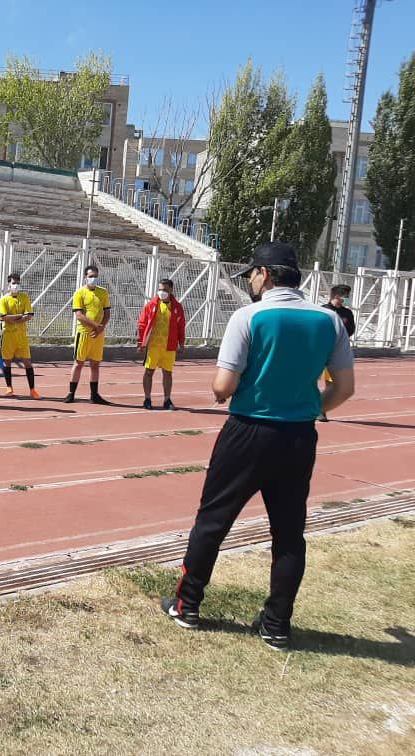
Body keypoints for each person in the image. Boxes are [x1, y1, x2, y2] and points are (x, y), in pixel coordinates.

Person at [161, 243, 355, 651]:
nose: (249, 280)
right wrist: (309, 408)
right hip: (299, 435)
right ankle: (277, 624)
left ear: (265, 274)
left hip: (248, 431)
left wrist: (225, 390)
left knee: (213, 520)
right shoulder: (330, 320)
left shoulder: (249, 316)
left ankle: (187, 603)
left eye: (251, 274)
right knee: (288, 532)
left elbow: (223, 387)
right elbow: (345, 388)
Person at [137, 278, 186, 410]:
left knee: (168, 373)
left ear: (171, 290)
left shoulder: (177, 307)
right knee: (149, 371)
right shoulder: (151, 305)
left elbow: (181, 326)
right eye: (159, 289)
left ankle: (167, 399)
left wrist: (181, 342)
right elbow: (142, 323)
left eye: (164, 289)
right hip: (153, 346)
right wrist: (141, 341)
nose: (161, 292)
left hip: (169, 346)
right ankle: (147, 399)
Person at [65, 265, 110, 404]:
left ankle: (94, 394)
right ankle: (71, 393)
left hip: (98, 334)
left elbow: (107, 313)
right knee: (79, 363)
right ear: (85, 277)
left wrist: (101, 328)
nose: (93, 279)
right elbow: (79, 315)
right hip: (84, 333)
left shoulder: (103, 292)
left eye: (95, 276)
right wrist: (95, 326)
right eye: (90, 276)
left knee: (95, 364)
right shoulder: (79, 293)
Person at [0, 272, 39, 398]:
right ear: (9, 285)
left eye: (18, 283)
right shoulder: (4, 299)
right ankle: (9, 388)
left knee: (27, 362)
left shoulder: (24, 297)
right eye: (13, 283)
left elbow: (29, 315)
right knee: (7, 362)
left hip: (21, 336)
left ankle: (32, 390)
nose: (16, 285)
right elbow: (4, 317)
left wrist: (17, 319)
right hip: (8, 335)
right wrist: (19, 316)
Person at [319, 285, 356, 422]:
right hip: (320, 351)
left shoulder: (347, 313)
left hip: (335, 353)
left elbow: (351, 330)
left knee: (332, 384)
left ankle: (321, 410)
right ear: (336, 296)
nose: (347, 299)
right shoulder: (323, 310)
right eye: (345, 296)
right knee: (310, 380)